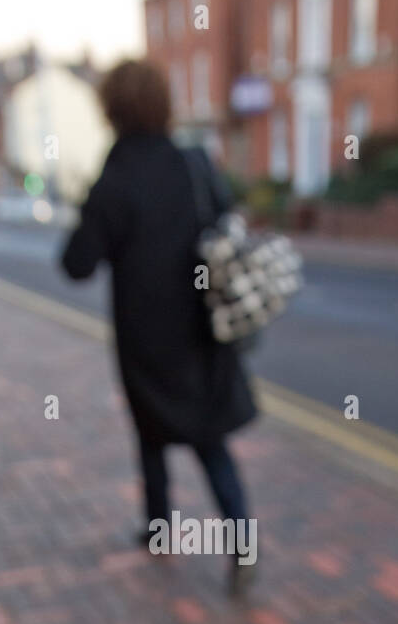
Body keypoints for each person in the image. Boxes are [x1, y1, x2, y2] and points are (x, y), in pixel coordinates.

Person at [60, 58, 257, 591]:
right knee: (209, 441)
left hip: (145, 339)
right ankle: (240, 544)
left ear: (111, 110)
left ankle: (159, 526)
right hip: (204, 330)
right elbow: (226, 224)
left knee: (150, 431)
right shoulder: (193, 163)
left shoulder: (114, 179)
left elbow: (76, 264)